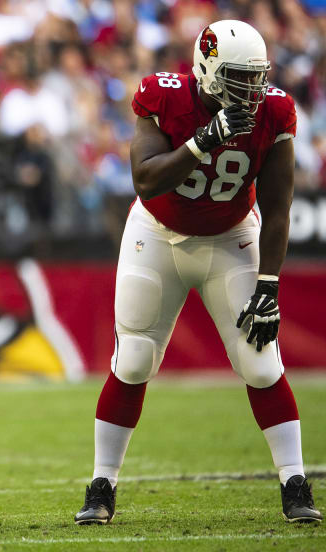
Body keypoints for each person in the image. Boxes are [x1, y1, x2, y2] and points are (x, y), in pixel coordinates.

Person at [74, 20, 321, 525]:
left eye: (256, 77)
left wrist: (270, 284)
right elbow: (145, 180)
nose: (250, 90)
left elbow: (278, 209)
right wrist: (203, 141)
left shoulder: (274, 111)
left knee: (260, 362)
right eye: (238, 78)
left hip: (232, 235)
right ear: (207, 70)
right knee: (135, 357)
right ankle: (102, 484)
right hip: (157, 231)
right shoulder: (163, 96)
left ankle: (295, 482)